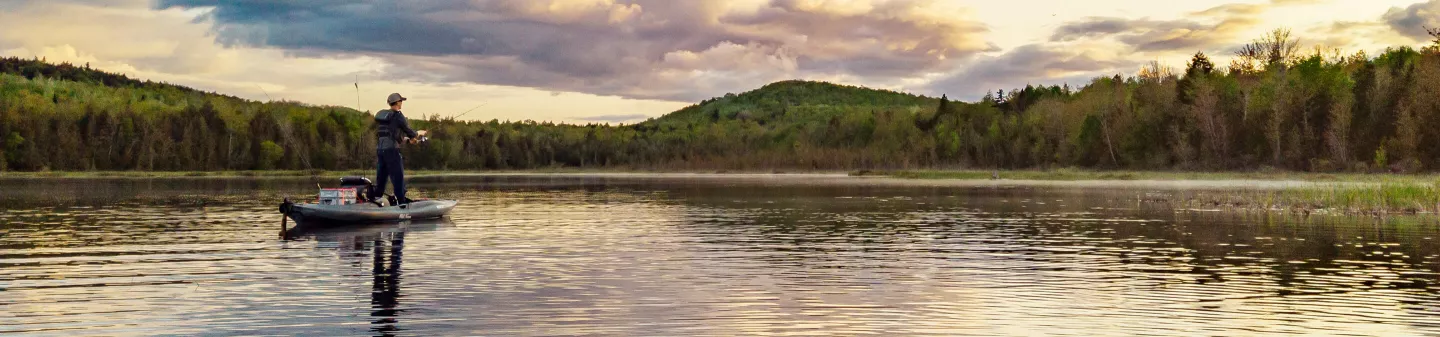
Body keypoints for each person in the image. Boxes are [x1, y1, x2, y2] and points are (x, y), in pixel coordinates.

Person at [373, 93, 427, 204]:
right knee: (398, 176)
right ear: (397, 102)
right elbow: (409, 131)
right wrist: (418, 133)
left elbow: (393, 135)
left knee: (381, 177)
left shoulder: (385, 117)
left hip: (381, 150)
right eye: (401, 101)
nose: (402, 103)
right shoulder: (398, 115)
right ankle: (402, 202)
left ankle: (375, 199)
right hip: (392, 151)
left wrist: (408, 140)